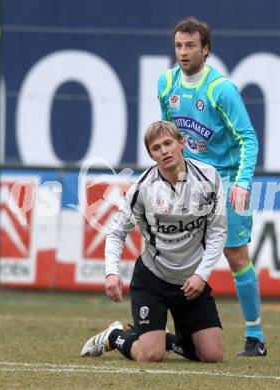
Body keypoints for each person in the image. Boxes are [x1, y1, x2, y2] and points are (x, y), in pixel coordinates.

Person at [157, 17, 266, 356]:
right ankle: (186, 333)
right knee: (179, 255)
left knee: (236, 256)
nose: (183, 52)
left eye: (190, 46)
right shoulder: (165, 84)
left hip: (228, 180)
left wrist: (243, 182)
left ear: (206, 49)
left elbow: (248, 136)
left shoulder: (221, 89)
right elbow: (168, 135)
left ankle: (255, 335)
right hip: (190, 182)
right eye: (178, 45)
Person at [81, 120, 226, 363]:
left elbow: (218, 232)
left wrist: (201, 275)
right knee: (150, 355)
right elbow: (116, 232)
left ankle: (163, 337)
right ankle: (116, 335)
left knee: (212, 356)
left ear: (182, 143)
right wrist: (111, 273)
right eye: (156, 148)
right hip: (153, 281)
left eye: (168, 143)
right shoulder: (143, 188)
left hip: (192, 283)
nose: (164, 151)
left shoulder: (209, 178)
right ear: (151, 155)